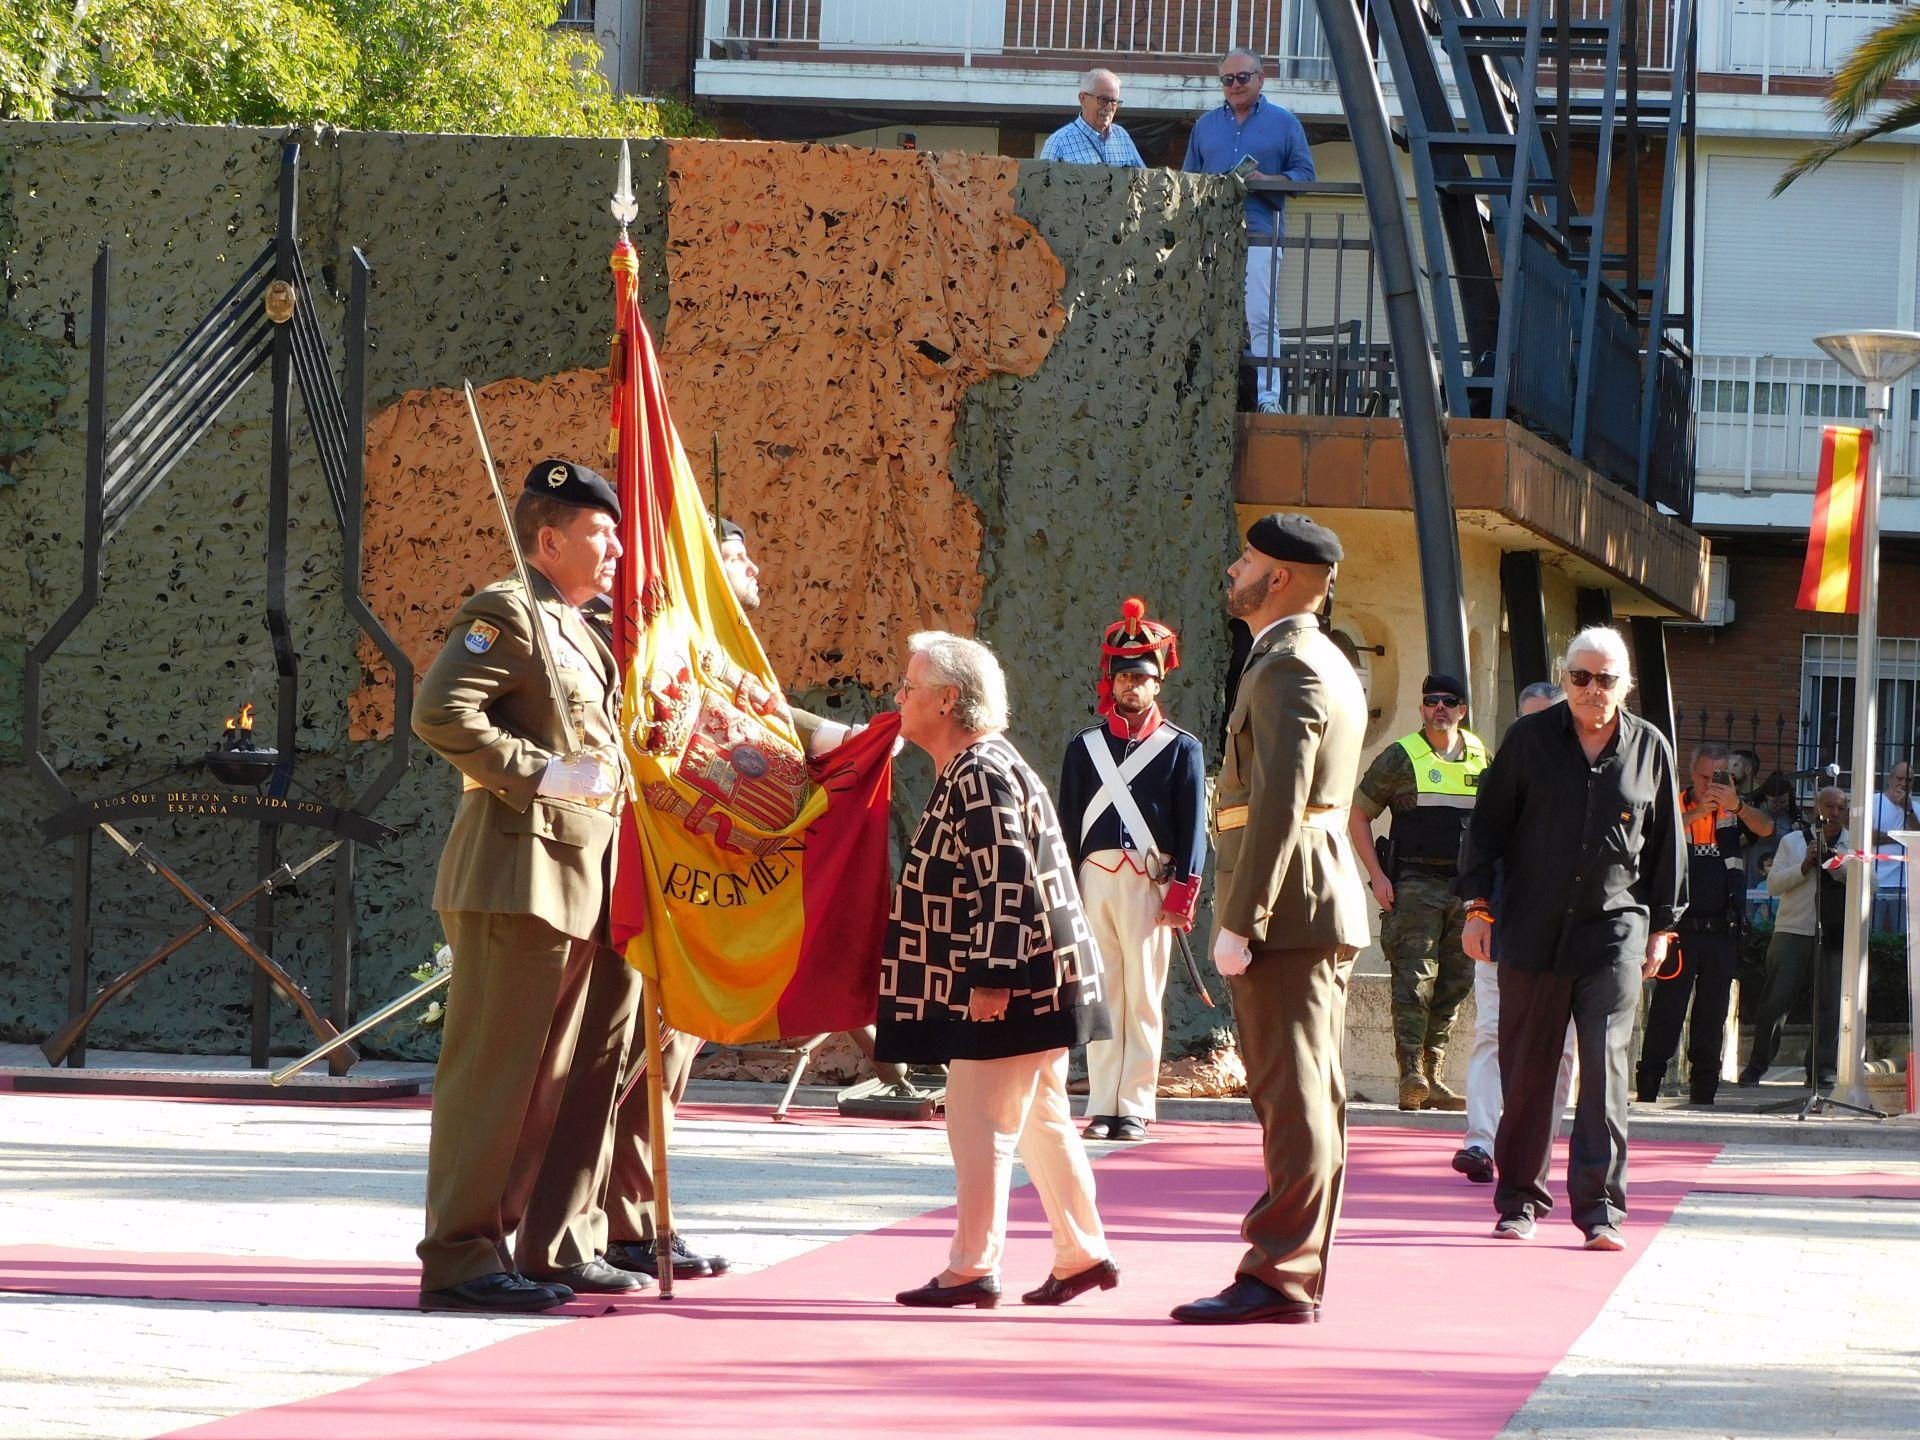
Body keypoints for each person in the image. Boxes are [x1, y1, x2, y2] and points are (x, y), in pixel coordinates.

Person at [411, 459, 648, 1311]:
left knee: (580, 1076)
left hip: (592, 879)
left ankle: (561, 1242)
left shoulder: (585, 627)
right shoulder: (507, 613)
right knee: (500, 1079)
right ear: (550, 541)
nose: (616, 548)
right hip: (521, 877)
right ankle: (462, 1257)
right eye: (600, 533)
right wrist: (543, 772)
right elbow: (442, 713)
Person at [876, 632, 1117, 1310]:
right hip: (1039, 977)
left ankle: (973, 1266)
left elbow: (1005, 876)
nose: (899, 698)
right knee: (1041, 1117)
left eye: (909, 687)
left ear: (947, 699)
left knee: (977, 1117)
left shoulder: (978, 770)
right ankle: (1082, 1253)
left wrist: (992, 977)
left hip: (1015, 982)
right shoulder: (983, 763)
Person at [1171, 513, 1369, 1326]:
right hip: (1306, 900)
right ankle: (1293, 1270)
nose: (1234, 569)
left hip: (1289, 908)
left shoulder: (1291, 665)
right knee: (1305, 1094)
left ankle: (1281, 1275)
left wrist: (1241, 919)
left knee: (1293, 1098)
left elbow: (1281, 801)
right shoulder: (1307, 657)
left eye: (1247, 559)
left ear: (1279, 578)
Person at [1458, 626, 1686, 1252]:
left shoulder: (1650, 747)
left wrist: (1663, 927)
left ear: (1625, 685)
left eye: (1605, 679)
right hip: (1531, 928)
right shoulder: (1528, 740)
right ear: (1565, 679)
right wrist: (1478, 907)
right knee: (1528, 1072)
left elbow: (1667, 847)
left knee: (1606, 1069)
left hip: (1614, 931)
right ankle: (1519, 1202)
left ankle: (1601, 1211)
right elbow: (1487, 829)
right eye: (1580, 677)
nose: (1592, 689)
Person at [1056, 598, 1207, 1142]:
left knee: (1142, 997)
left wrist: (1181, 895)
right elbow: (1066, 825)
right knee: (1103, 996)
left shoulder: (1181, 749)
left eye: (1140, 678)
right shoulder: (1085, 747)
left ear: (1157, 683)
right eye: (1123, 677)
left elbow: (1192, 830)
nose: (1131, 687)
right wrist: (1065, 893)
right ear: (1112, 682)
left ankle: (1136, 1107)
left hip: (1149, 881)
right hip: (1094, 880)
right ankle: (1102, 1105)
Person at [1452, 681, 1576, 1186]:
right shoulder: (1497, 778)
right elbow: (1479, 853)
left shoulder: (1589, 776)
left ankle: (1536, 1144)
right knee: (1491, 1034)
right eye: (1527, 721)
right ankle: (1480, 1142)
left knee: (1561, 1049)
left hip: (1568, 940)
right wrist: (1477, 911)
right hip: (1503, 932)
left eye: (1548, 719)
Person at [1350, 671, 1487, 1112]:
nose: (1439, 708)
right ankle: (1410, 1073)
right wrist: (1377, 876)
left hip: (1465, 889)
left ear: (1462, 710)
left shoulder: (1481, 756)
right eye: (1431, 701)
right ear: (1422, 709)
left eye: (1448, 701)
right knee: (1414, 979)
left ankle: (1433, 1073)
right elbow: (1358, 815)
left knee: (1456, 982)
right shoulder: (1401, 756)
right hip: (1414, 885)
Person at [1636, 741, 1772, 1107]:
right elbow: (1653, 837)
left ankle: (1704, 1092)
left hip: (1722, 932)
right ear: (1691, 773)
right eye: (1703, 777)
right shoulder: (1676, 804)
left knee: (1712, 1017)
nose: (1710, 784)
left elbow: (1766, 828)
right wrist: (1698, 812)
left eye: (1719, 777)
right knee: (1667, 1012)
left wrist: (1737, 805)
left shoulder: (1734, 811)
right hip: (1679, 931)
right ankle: (1648, 1087)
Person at [1182, 48, 1315, 415]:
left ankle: (1268, 398)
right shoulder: (1205, 125)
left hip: (1260, 234)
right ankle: (1207, 397)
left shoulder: (1285, 123)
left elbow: (1305, 177)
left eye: (1243, 77)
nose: (1235, 85)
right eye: (1228, 79)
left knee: (1260, 317)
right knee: (1206, 317)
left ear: (1261, 78)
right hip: (1212, 237)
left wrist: (1265, 180)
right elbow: (1188, 181)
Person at [1740, 786, 1849, 1087]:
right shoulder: (1792, 841)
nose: (1835, 813)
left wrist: (1838, 868)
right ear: (1816, 809)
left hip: (1834, 933)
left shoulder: (1853, 844)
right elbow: (1773, 885)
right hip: (1792, 929)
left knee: (1831, 1004)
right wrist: (1804, 866)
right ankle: (1757, 1065)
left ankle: (1821, 1068)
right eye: (1829, 806)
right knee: (1776, 1001)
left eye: (1841, 808)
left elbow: (1872, 884)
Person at [1040, 69, 1146, 167]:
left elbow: (1142, 178)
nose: (1109, 107)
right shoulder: (1058, 143)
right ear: (1083, 98)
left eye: (1114, 101)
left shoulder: (1121, 136)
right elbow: (1042, 181)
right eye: (1103, 99)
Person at [1871, 761, 1918, 932]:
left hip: (1905, 883)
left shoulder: (1915, 808)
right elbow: (1868, 837)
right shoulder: (1874, 802)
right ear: (1890, 779)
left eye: (1909, 780)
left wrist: (1908, 810)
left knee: (1902, 937)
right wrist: (1902, 838)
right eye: (1899, 778)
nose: (1904, 783)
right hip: (1876, 880)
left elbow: (1917, 840)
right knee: (1872, 934)